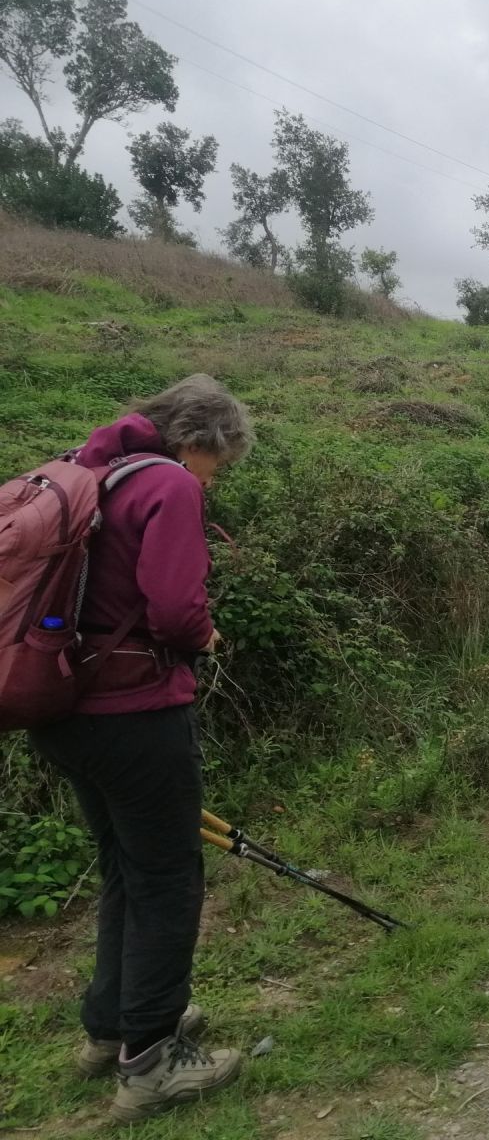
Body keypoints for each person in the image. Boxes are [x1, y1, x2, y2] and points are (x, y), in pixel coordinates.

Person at [27, 374, 253, 1122]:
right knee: (166, 875)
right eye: (220, 463)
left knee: (125, 867)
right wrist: (204, 635)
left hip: (59, 707)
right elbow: (176, 610)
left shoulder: (85, 469)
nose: (214, 477)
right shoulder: (168, 483)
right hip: (134, 712)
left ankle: (112, 1026)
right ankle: (152, 1059)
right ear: (200, 441)